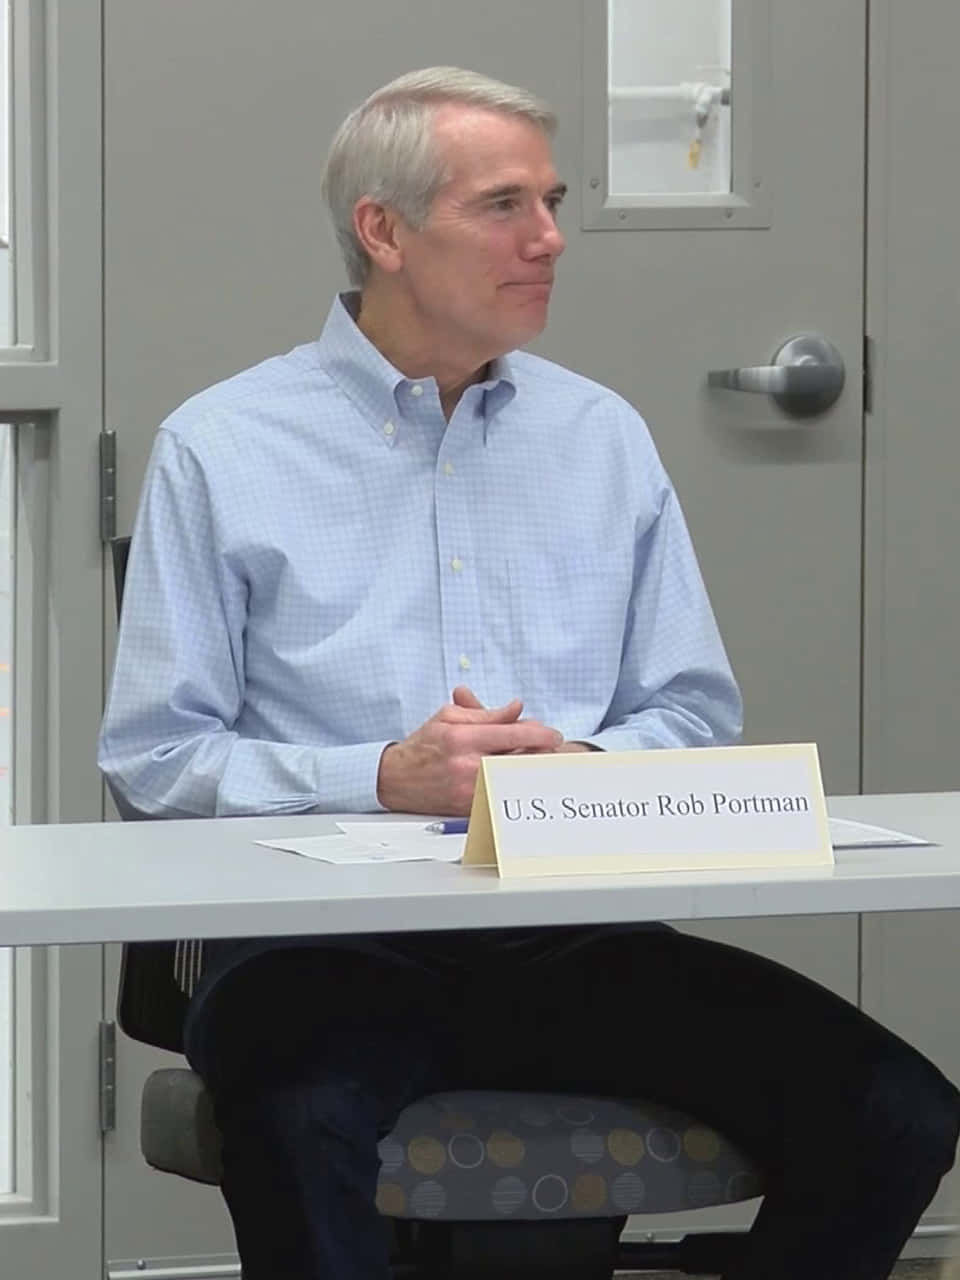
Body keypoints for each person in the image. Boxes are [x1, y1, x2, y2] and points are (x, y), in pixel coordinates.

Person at [98, 67, 959, 1280]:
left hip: (567, 934)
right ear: (383, 232)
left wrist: (585, 770)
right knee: (297, 1118)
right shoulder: (224, 446)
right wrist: (385, 773)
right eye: (504, 205)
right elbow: (156, 758)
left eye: (552, 202)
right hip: (320, 948)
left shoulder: (598, 435)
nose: (551, 238)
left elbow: (692, 710)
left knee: (899, 1111)